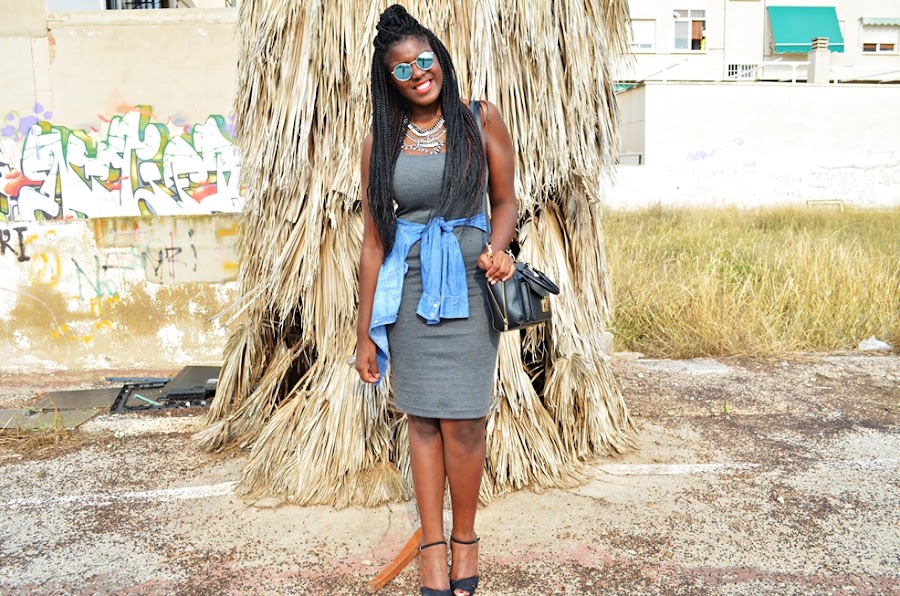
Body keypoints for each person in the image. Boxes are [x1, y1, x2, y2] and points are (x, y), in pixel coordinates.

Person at [354, 5, 517, 595]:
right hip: (410, 289)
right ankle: (431, 547)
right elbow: (374, 240)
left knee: (466, 421)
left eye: (424, 60)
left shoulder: (480, 118)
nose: (418, 73)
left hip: (470, 285)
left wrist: (500, 248)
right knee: (422, 419)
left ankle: (465, 541)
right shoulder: (381, 141)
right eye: (402, 69)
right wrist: (364, 332)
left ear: (439, 59)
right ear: (390, 80)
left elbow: (505, 201)